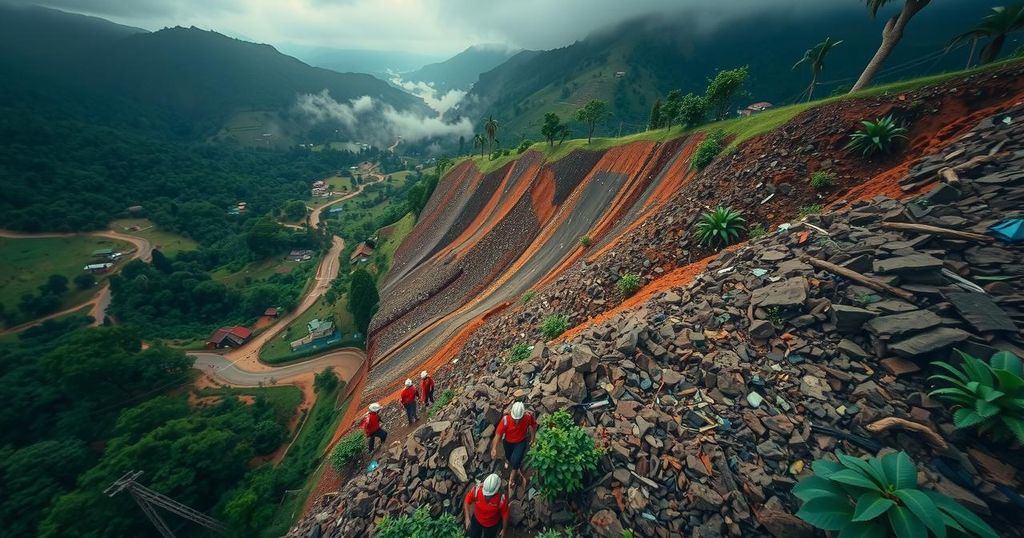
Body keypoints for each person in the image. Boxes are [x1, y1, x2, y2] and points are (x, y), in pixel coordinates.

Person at [490, 402, 538, 493]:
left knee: (516, 460)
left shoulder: (527, 417)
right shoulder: (505, 420)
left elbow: (533, 425)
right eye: (515, 419)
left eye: (519, 419)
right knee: (509, 456)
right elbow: (498, 434)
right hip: (508, 442)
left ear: (523, 414)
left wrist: (533, 438)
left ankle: (512, 479)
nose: (517, 421)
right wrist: (494, 448)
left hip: (520, 442)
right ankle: (508, 461)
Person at [464, 473, 509, 538]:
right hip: (477, 520)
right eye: (485, 495)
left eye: (490, 495)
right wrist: (467, 518)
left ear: (497, 491)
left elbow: (505, 514)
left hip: (492, 525)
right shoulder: (477, 490)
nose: (487, 497)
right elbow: (467, 501)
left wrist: (504, 530)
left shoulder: (501, 499)